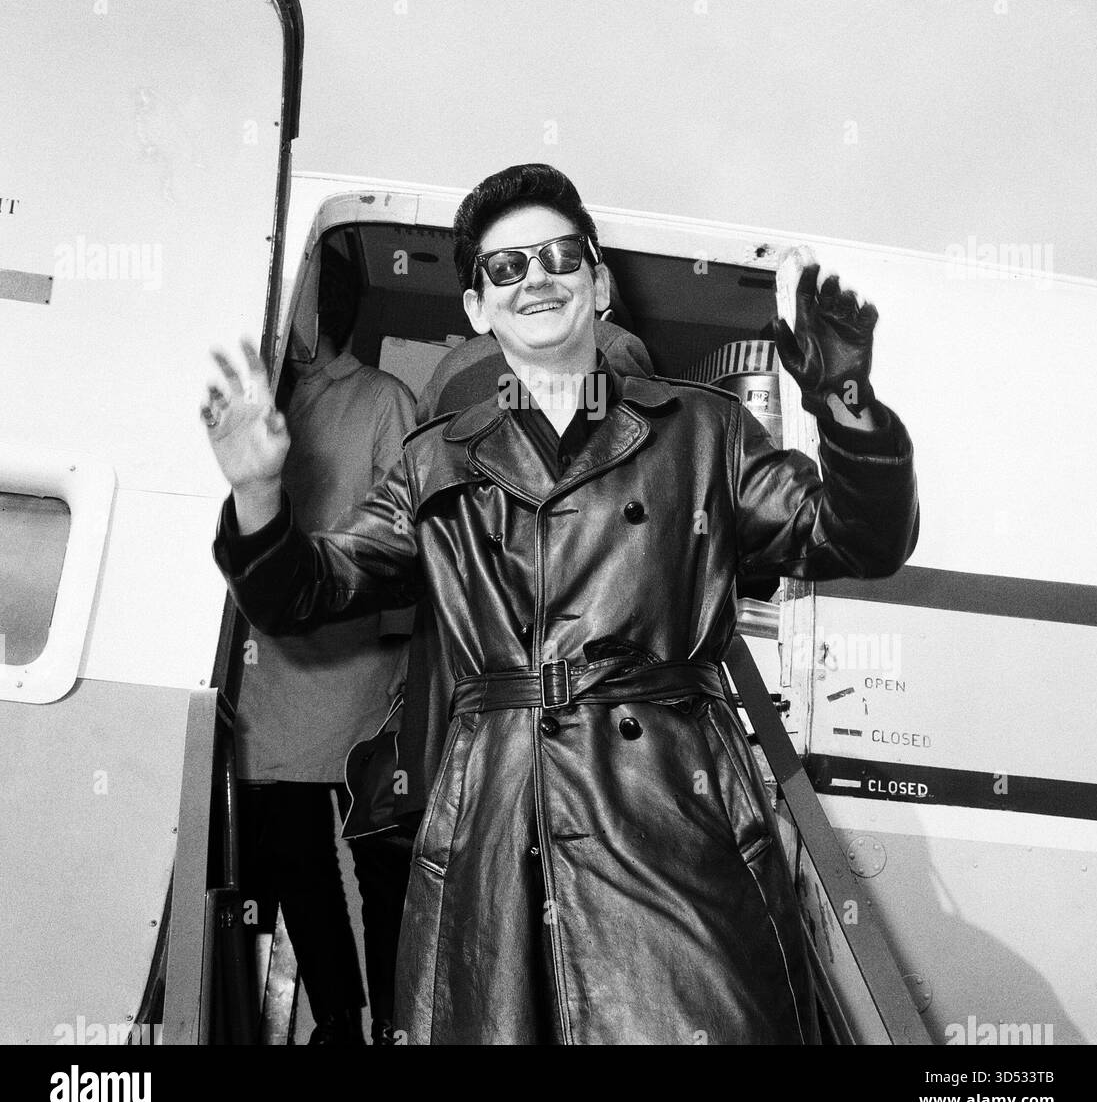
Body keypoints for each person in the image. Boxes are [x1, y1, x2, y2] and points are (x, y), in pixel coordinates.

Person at [204, 163, 919, 1045]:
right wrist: (258, 495)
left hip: (671, 818)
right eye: (506, 268)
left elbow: (855, 539)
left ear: (599, 282)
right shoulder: (436, 464)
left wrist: (847, 406)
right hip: (492, 839)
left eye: (559, 257)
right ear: (476, 309)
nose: (536, 278)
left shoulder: (705, 433)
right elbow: (305, 592)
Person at [226, 249, 416, 1045]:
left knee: (381, 864)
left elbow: (415, 540)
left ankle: (397, 1027)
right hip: (274, 674)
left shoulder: (383, 399)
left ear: (315, 313)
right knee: (298, 858)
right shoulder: (272, 400)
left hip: (362, 673)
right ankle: (338, 1020)